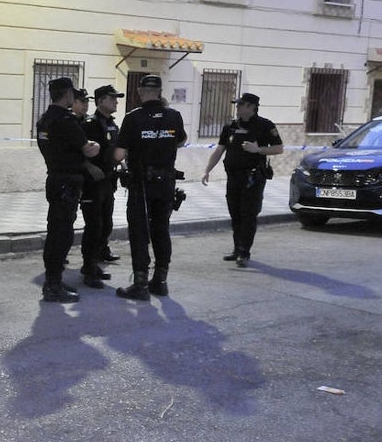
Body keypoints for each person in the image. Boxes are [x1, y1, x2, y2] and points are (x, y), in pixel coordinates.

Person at [112, 74, 187, 300]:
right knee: (161, 230)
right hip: (166, 183)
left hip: (141, 185)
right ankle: (160, 281)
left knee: (139, 232)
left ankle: (140, 284)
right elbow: (181, 141)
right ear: (160, 92)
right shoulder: (174, 116)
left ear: (142, 92)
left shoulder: (133, 118)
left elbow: (119, 154)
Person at [200, 92, 284, 267]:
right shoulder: (230, 126)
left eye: (241, 104)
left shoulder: (264, 126)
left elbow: (279, 148)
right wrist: (207, 170)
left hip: (252, 177)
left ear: (252, 107)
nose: (237, 107)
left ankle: (244, 251)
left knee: (248, 214)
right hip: (233, 176)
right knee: (235, 213)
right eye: (237, 105)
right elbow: (219, 150)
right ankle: (237, 248)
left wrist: (258, 149)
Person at [37, 76, 101, 302]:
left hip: (54, 178)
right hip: (67, 182)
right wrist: (96, 145)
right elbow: (87, 150)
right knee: (62, 234)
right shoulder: (66, 120)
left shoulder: (45, 120)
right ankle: (54, 285)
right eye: (72, 93)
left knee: (54, 231)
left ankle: (52, 281)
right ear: (67, 95)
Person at [78, 84, 124, 288]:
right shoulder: (90, 124)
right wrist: (88, 166)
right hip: (92, 183)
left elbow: (114, 149)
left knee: (105, 224)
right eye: (112, 98)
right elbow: (76, 152)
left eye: (116, 98)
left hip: (108, 180)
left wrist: (121, 164)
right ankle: (88, 269)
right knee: (94, 226)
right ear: (100, 101)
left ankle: (95, 263)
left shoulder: (112, 124)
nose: (116, 101)